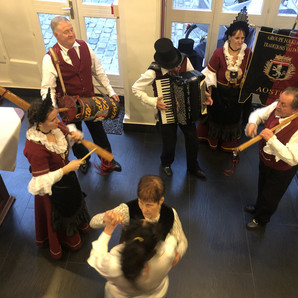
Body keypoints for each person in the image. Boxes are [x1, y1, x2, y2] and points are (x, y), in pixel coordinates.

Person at [41, 15, 121, 174]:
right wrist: (50, 111)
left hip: (90, 101)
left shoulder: (84, 47)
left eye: (71, 30)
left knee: (99, 131)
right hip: (68, 107)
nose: (71, 34)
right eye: (65, 32)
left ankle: (107, 160)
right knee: (74, 136)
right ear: (56, 35)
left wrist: (110, 91)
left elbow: (98, 71)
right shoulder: (50, 58)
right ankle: (83, 160)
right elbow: (47, 88)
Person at [132, 37, 212, 179]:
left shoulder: (184, 61)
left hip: (185, 110)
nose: (176, 69)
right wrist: (153, 101)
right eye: (171, 67)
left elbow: (196, 79)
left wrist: (204, 95)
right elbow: (136, 89)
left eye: (176, 64)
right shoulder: (153, 71)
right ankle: (166, 164)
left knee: (192, 138)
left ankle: (193, 166)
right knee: (169, 140)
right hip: (166, 109)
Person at [23, 93, 91, 259]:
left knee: (74, 204)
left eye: (56, 116)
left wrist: (74, 136)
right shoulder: (35, 147)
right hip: (52, 190)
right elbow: (39, 182)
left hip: (68, 180)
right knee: (62, 214)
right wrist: (66, 169)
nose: (58, 121)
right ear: (40, 123)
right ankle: (63, 241)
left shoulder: (56, 128)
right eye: (53, 119)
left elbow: (67, 131)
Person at [88, 212, 179, 298]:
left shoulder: (113, 265)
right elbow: (173, 241)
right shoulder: (167, 254)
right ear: (155, 246)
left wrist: (108, 229)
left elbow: (95, 257)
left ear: (126, 240)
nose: (145, 219)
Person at [244, 87, 298, 230]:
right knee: (262, 185)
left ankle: (261, 219)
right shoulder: (277, 107)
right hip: (265, 159)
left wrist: (272, 140)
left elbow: (292, 158)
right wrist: (252, 122)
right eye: (279, 101)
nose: (277, 105)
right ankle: (258, 207)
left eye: (283, 104)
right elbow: (259, 114)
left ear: (295, 110)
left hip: (282, 169)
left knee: (271, 195)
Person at [90, 175, 187, 261]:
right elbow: (92, 223)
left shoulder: (170, 214)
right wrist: (106, 219)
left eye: (149, 205)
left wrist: (178, 253)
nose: (144, 209)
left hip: (154, 259)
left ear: (161, 200)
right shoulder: (127, 209)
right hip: (129, 258)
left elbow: (182, 241)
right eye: (141, 202)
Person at [197, 9, 252, 152]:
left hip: (236, 94)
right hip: (219, 93)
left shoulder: (248, 53)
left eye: (243, 38)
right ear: (229, 37)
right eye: (237, 38)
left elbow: (252, 71)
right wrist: (209, 94)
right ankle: (213, 141)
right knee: (217, 118)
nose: (240, 41)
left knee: (232, 120)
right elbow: (210, 74)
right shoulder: (218, 53)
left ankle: (227, 144)